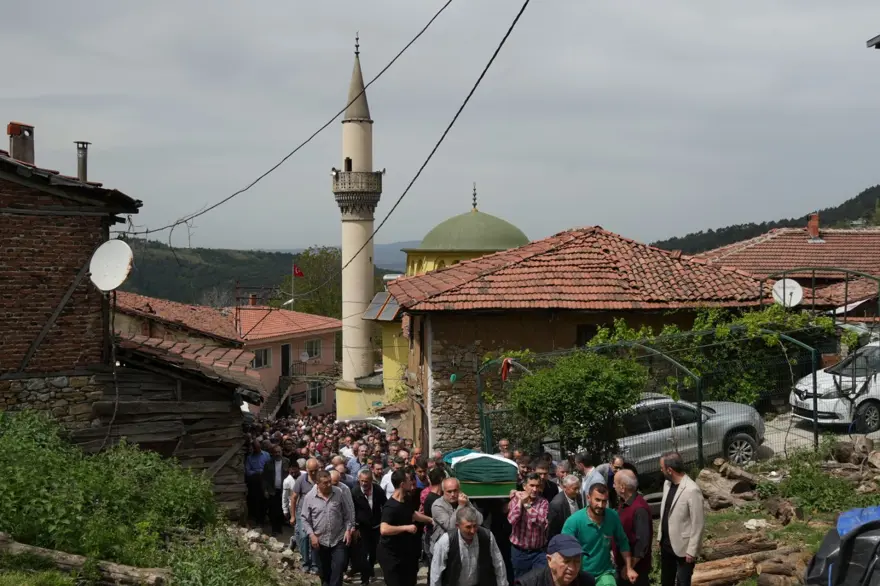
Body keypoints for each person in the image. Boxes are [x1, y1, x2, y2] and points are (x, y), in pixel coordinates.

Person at [562, 483, 637, 586]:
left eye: (604, 501)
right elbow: (564, 550)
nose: (601, 505)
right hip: (580, 575)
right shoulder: (573, 521)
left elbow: (623, 541)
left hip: (604, 573)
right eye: (597, 500)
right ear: (588, 498)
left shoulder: (612, 516)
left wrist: (629, 568)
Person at [378, 469, 433, 586]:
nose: (412, 483)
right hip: (391, 555)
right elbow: (384, 529)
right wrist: (405, 528)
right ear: (402, 484)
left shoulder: (407, 499)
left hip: (406, 552)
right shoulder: (390, 506)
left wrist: (430, 520)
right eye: (409, 481)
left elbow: (412, 514)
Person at [658, 452, 705, 586]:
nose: (661, 470)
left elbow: (698, 523)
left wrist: (692, 550)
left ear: (670, 470)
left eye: (662, 468)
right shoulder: (667, 484)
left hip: (684, 549)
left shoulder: (692, 490)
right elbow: (665, 511)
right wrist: (660, 536)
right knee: (666, 581)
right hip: (666, 545)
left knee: (683, 582)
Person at [430, 505, 507, 586]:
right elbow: (436, 571)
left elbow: (499, 563)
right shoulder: (446, 540)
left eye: (475, 526)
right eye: (468, 527)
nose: (472, 531)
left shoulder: (487, 536)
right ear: (457, 526)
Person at [301, 470, 354, 586]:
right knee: (324, 573)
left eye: (330, 482)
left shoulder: (339, 493)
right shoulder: (309, 497)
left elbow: (348, 514)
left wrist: (348, 530)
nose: (329, 485)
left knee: (339, 567)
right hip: (319, 541)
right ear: (317, 483)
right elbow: (304, 519)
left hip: (338, 539)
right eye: (325, 483)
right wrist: (311, 535)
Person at [613, 470, 652, 586]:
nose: (613, 486)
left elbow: (642, 543)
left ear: (622, 487)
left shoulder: (639, 509)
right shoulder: (625, 503)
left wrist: (629, 566)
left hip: (635, 570)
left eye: (615, 483)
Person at [508, 472, 550, 579]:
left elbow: (541, 521)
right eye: (532, 485)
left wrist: (526, 505)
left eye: (537, 486)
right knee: (521, 580)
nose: (535, 489)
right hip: (520, 552)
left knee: (541, 579)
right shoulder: (515, 500)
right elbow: (512, 520)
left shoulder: (543, 502)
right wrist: (519, 503)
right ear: (524, 486)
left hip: (538, 552)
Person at [514, 535, 597, 586]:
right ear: (549, 560)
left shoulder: (587, 581)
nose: (572, 568)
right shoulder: (528, 583)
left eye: (577, 561)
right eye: (566, 561)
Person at [351, 468, 386, 586]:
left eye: (366, 481)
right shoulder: (355, 492)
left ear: (371, 480)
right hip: (362, 528)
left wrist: (384, 522)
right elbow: (352, 510)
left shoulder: (378, 490)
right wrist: (355, 527)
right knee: (363, 553)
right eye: (362, 481)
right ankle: (364, 579)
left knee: (374, 553)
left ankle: (370, 569)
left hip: (376, 527)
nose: (364, 484)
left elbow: (385, 505)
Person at [431, 477, 484, 550]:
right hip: (444, 547)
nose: (452, 494)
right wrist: (461, 506)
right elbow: (450, 527)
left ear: (459, 490)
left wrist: (467, 504)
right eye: (449, 491)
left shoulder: (464, 501)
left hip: (464, 546)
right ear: (443, 491)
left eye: (455, 491)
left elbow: (480, 520)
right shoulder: (438, 505)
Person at [292, 458, 321, 575]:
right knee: (304, 537)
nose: (313, 473)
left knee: (315, 538)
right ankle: (305, 563)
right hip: (302, 513)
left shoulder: (321, 479)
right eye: (311, 471)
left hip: (316, 513)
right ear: (307, 469)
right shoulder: (301, 480)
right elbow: (293, 498)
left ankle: (315, 564)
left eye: (315, 470)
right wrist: (293, 516)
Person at [262, 444, 290, 535]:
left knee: (282, 510)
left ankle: (279, 528)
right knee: (273, 510)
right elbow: (264, 478)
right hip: (272, 490)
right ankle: (274, 529)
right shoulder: (268, 463)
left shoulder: (287, 462)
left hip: (284, 490)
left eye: (279, 452)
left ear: (281, 452)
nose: (277, 454)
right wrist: (265, 490)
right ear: (272, 453)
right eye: (275, 452)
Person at [548, 475, 583, 539]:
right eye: (575, 489)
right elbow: (552, 530)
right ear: (564, 488)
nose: (578, 491)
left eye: (578, 488)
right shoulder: (556, 504)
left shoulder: (578, 496)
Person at [245, 439, 270, 527]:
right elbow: (248, 471)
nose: (257, 449)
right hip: (254, 482)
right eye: (255, 448)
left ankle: (263, 518)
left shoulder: (266, 455)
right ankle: (257, 519)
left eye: (258, 447)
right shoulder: (249, 458)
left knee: (265, 500)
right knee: (255, 500)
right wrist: (257, 472)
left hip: (265, 480)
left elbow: (270, 467)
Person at [281, 460, 302, 544]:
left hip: (305, 504)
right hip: (293, 505)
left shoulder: (304, 475)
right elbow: (284, 496)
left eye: (295, 472)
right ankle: (295, 540)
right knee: (297, 526)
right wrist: (285, 510)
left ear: (299, 469)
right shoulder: (287, 481)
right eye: (291, 472)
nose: (293, 474)